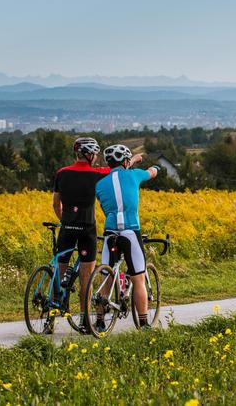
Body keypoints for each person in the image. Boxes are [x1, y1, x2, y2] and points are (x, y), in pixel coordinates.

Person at [95, 144, 159, 331]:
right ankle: (144, 322)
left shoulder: (100, 185)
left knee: (106, 276)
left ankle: (99, 322)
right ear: (125, 161)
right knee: (138, 277)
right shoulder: (134, 174)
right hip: (131, 230)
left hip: (110, 232)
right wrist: (156, 168)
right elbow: (151, 173)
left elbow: (107, 204)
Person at [51, 136, 109, 331]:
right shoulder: (96, 174)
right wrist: (134, 161)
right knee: (86, 276)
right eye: (95, 154)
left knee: (59, 271)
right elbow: (118, 170)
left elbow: (55, 204)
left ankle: (50, 317)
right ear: (89, 155)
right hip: (87, 229)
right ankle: (85, 320)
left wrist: (65, 220)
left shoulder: (61, 173)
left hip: (67, 227)